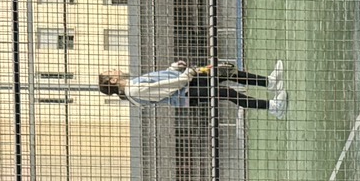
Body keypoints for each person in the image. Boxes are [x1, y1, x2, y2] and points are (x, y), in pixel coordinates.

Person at [99, 59, 288, 118]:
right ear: (113, 80)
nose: (115, 69)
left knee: (224, 73)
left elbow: (162, 80)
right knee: (227, 93)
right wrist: (186, 75)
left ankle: (269, 82)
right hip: (187, 92)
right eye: (111, 71)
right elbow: (167, 88)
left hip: (186, 83)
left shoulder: (132, 84)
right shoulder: (133, 91)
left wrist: (173, 68)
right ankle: (273, 107)